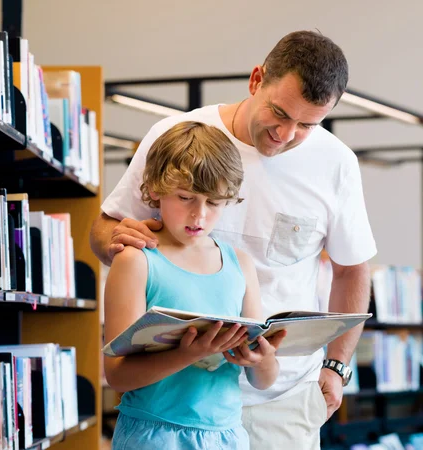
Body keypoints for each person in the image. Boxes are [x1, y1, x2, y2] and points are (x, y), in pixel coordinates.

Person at [92, 30, 376, 449]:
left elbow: (352, 271)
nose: (287, 133)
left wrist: (336, 367)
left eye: (307, 125)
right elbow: (105, 231)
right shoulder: (178, 137)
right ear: (256, 79)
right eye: (279, 113)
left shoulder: (337, 164)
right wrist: (116, 238)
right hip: (166, 398)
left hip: (280, 394)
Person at [104, 121, 286, 450]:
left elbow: (263, 381)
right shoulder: (136, 261)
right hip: (154, 436)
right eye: (185, 197)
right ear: (155, 188)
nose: (199, 215)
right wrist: (189, 354)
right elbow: (117, 375)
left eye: (214, 202)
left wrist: (265, 358)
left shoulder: (240, 265)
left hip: (227, 436)